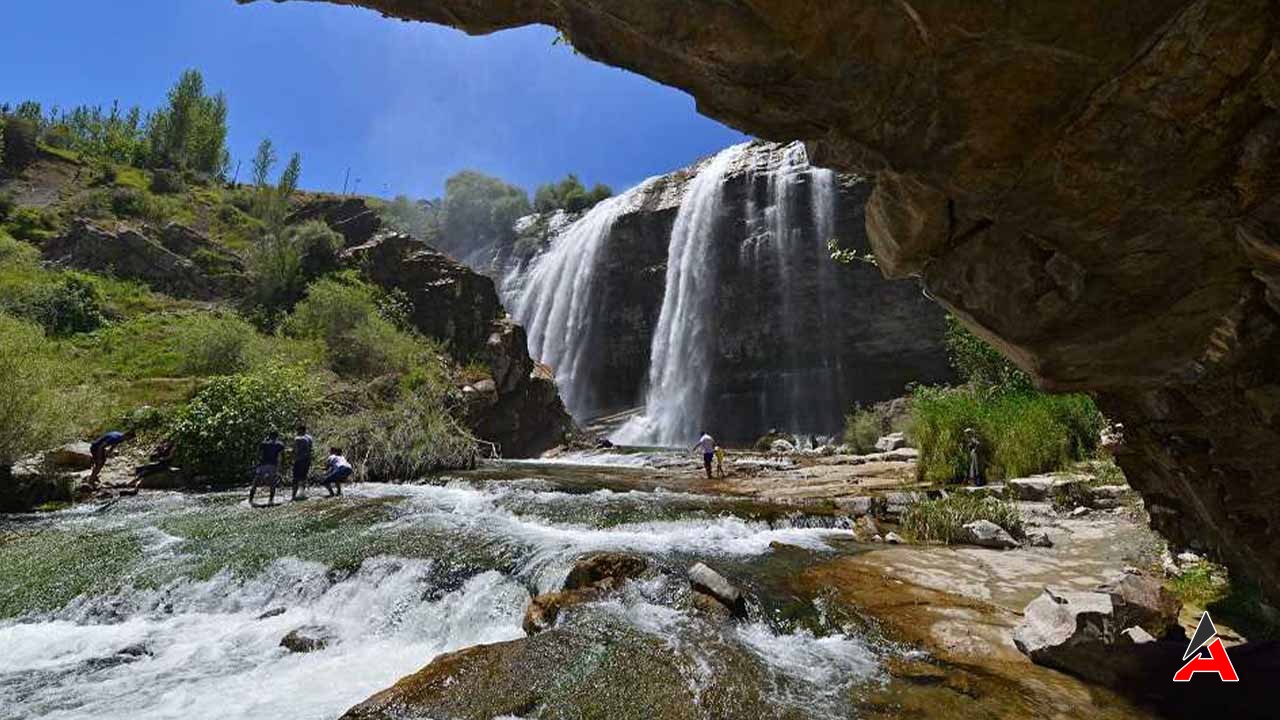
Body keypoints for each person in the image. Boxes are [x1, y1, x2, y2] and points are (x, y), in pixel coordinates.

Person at [249, 430, 287, 506]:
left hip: (262, 465)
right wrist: (282, 467)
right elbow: (282, 457)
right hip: (273, 465)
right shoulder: (280, 444)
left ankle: (250, 500)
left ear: (269, 436)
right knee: (272, 483)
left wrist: (256, 464)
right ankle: (271, 500)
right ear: (277, 437)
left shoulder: (263, 443)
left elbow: (257, 455)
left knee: (255, 482)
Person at [291, 424, 313, 501]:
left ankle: (293, 496)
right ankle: (302, 494)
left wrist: (291, 454)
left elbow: (296, 450)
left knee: (295, 479)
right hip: (307, 460)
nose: (297, 432)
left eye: (298, 430)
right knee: (303, 477)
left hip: (299, 460)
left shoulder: (298, 439)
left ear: (301, 430)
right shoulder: (310, 438)